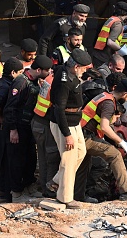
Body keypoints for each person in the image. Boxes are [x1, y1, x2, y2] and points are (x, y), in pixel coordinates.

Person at [79, 74, 127, 201]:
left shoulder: (105, 95)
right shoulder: (109, 104)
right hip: (85, 136)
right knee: (114, 155)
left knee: (85, 165)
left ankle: (79, 196)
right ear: (125, 94)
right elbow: (105, 126)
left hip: (81, 133)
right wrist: (121, 142)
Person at [3, 55, 53, 199]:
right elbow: (10, 108)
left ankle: (29, 185)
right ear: (38, 69)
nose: (49, 72)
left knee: (30, 158)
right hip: (18, 126)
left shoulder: (35, 80)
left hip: (29, 126)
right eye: (47, 70)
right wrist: (13, 130)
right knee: (16, 160)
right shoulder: (20, 82)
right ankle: (17, 192)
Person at [46, 49, 89, 208]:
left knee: (80, 152)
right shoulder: (64, 81)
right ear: (76, 66)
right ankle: (65, 197)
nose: (85, 70)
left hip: (74, 120)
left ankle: (57, 181)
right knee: (69, 159)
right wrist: (67, 135)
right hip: (65, 123)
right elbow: (59, 109)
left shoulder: (70, 74)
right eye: (83, 67)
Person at [0, 57, 24, 202]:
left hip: (2, 126)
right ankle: (5, 191)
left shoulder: (1, 82)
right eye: (20, 72)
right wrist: (0, 115)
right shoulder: (6, 86)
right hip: (4, 128)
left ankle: (2, 189)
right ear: (13, 72)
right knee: (7, 159)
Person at [31, 64, 60, 199]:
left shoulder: (48, 79)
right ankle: (50, 191)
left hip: (37, 122)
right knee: (52, 158)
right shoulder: (56, 83)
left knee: (42, 158)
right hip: (45, 125)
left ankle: (44, 187)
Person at [91, 1, 127, 68]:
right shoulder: (118, 24)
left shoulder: (111, 19)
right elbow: (110, 42)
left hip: (98, 54)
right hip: (103, 57)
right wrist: (125, 53)